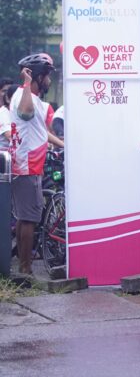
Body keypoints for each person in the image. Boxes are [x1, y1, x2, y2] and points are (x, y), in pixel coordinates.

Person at [9, 54, 55, 274]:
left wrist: (62, 143)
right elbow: (25, 114)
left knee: (23, 218)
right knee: (28, 219)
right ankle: (25, 270)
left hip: (29, 164)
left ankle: (22, 267)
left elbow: (40, 131)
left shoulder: (33, 98)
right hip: (26, 164)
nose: (49, 80)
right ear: (38, 76)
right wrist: (27, 83)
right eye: (46, 76)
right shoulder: (23, 96)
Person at [0, 79, 14, 152]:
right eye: (4, 91)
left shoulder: (12, 112)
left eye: (10, 92)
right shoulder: (3, 112)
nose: (7, 94)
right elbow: (10, 136)